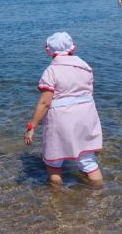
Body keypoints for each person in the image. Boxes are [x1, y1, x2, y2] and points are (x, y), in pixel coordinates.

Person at [24, 32, 103, 187]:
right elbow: (89, 92)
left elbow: (45, 103)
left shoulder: (51, 71)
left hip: (62, 119)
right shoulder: (85, 67)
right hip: (87, 116)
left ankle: (57, 203)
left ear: (50, 51)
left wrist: (31, 126)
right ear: (71, 47)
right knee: (88, 161)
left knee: (54, 161)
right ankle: (99, 197)